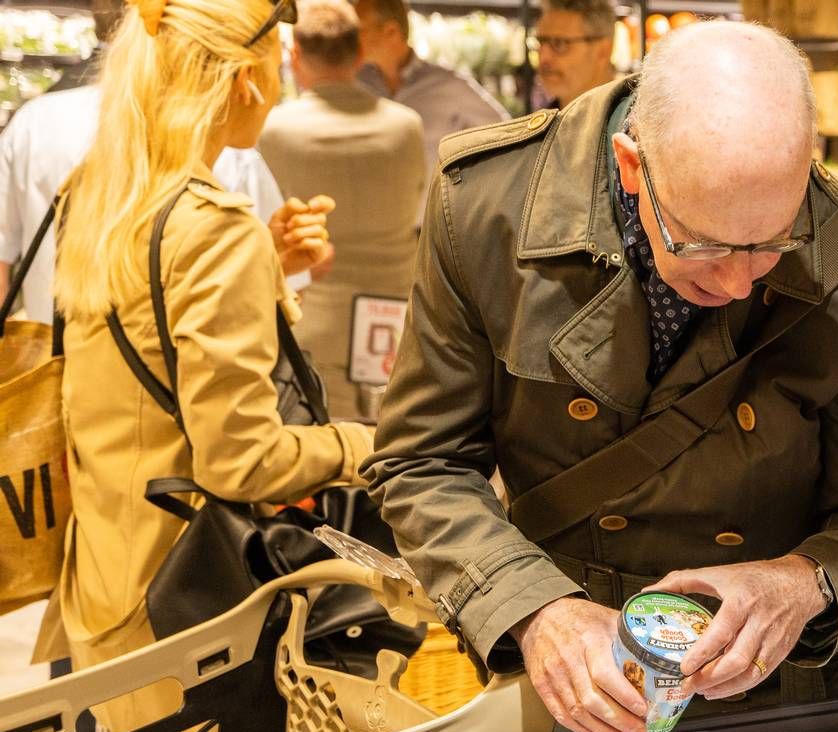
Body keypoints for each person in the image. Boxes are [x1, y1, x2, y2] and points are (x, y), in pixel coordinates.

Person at [364, 22, 838, 732]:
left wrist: (803, 582)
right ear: (632, 168)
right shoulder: (485, 208)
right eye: (705, 245)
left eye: (770, 244)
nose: (735, 282)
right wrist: (538, 611)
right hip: (567, 687)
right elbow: (420, 463)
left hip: (781, 700)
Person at [51, 0, 368, 732]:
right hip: (187, 609)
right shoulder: (212, 227)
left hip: (105, 581)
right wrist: (364, 445)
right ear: (240, 78)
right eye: (277, 62)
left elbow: (142, 337)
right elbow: (242, 462)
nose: (283, 83)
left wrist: (266, 261)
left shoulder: (98, 191)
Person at [0, 0, 300, 327]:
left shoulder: (42, 132)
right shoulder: (229, 196)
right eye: (274, 67)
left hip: (55, 368)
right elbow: (228, 365)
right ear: (245, 79)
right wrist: (264, 265)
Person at [258, 0, 425, 422]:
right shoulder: (406, 125)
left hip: (311, 323)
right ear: (359, 54)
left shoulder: (274, 130)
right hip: (394, 320)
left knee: (323, 455)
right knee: (385, 452)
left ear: (294, 55)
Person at [355, 0, 510, 185]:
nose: (350, 39)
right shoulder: (354, 83)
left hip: (428, 213)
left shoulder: (448, 85)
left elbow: (505, 134)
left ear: (391, 32)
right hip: (366, 209)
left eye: (359, 30)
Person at [536, 0, 620, 110]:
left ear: (603, 51)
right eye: (540, 42)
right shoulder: (542, 123)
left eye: (559, 43)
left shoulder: (634, 122)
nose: (543, 57)